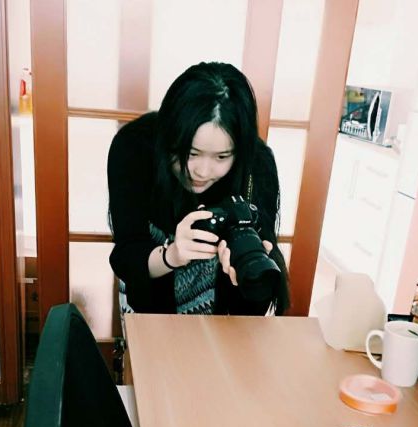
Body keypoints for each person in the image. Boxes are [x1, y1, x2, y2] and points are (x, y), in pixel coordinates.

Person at [108, 61, 289, 317]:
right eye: (191, 153)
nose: (202, 172)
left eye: (222, 157)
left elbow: (255, 309)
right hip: (148, 311)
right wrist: (172, 255)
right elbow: (127, 256)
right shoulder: (135, 147)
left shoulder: (256, 164)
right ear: (169, 138)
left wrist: (248, 275)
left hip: (225, 321)